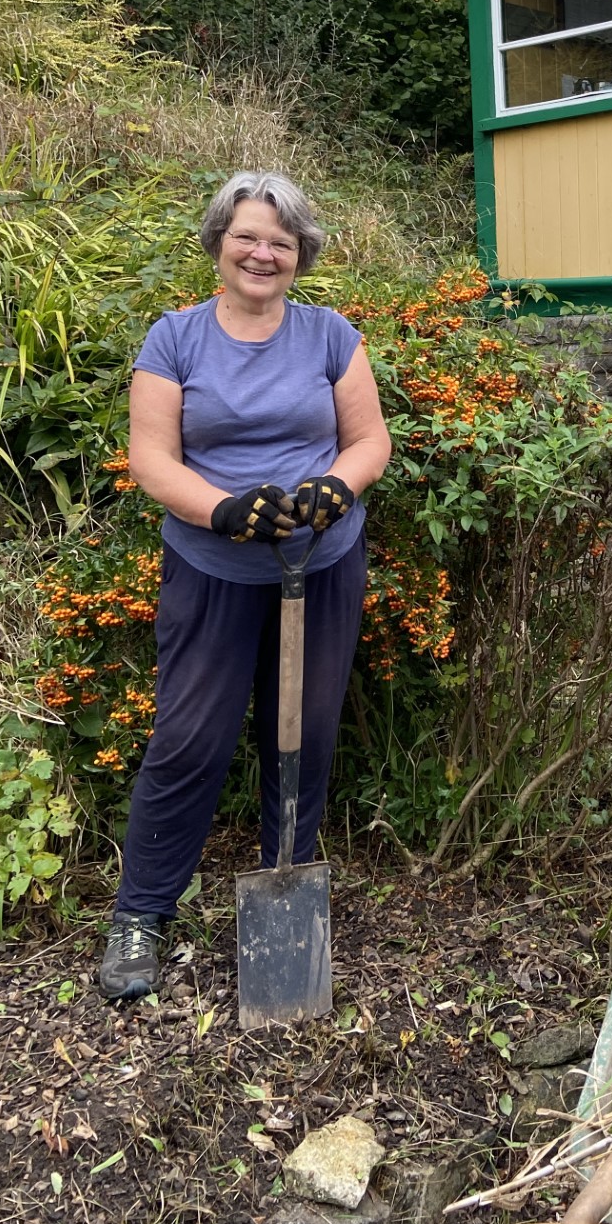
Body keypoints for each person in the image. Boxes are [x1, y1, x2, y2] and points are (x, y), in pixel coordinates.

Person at [97, 172, 391, 1000]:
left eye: (281, 241)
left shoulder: (331, 335)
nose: (263, 253)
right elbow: (151, 458)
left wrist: (339, 486)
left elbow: (369, 439)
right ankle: (141, 915)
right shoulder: (175, 338)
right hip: (214, 566)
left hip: (320, 563)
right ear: (219, 244)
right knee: (189, 739)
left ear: (301, 255)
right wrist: (222, 510)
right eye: (248, 237)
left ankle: (287, 885)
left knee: (304, 734)